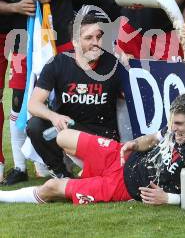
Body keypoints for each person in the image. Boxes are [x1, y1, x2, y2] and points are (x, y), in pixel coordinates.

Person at [0, 93, 185, 206]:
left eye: (179, 124)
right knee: (63, 136)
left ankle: (2, 197)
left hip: (121, 186)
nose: (174, 129)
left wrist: (168, 199)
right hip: (120, 153)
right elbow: (152, 139)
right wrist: (135, 144)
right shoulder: (176, 126)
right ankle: (84, 172)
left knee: (50, 187)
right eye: (173, 123)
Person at [0, 0, 82, 184]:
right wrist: (12, 7)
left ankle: (58, 160)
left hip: (57, 35)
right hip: (21, 39)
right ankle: (20, 167)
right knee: (19, 98)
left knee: (63, 95)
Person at [27, 13, 121, 178]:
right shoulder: (57, 63)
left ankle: (94, 168)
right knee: (35, 125)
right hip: (68, 128)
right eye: (88, 38)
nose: (96, 43)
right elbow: (33, 104)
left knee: (97, 179)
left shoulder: (114, 65)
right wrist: (54, 116)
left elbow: (134, 100)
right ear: (75, 41)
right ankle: (61, 172)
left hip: (102, 136)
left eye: (99, 37)